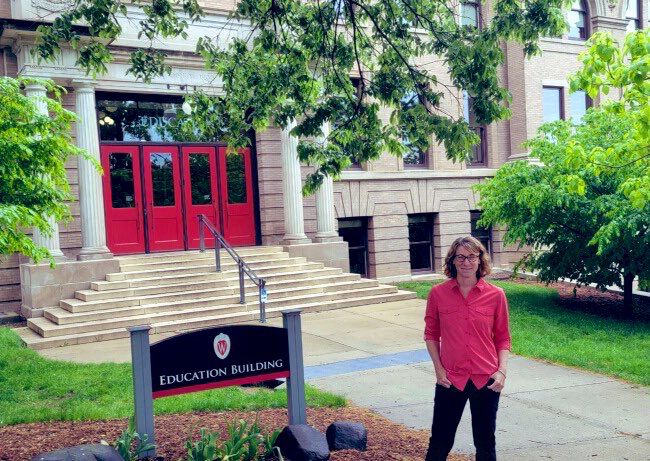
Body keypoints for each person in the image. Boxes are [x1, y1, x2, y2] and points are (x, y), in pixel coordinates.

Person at [423, 236, 511, 461]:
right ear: (452, 261)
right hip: (450, 379)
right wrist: (439, 370)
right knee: (440, 443)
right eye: (460, 257)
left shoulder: (496, 295)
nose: (466, 262)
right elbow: (431, 335)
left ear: (480, 260)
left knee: (485, 444)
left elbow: (503, 339)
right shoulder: (437, 294)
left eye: (472, 257)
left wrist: (501, 372)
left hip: (486, 379)